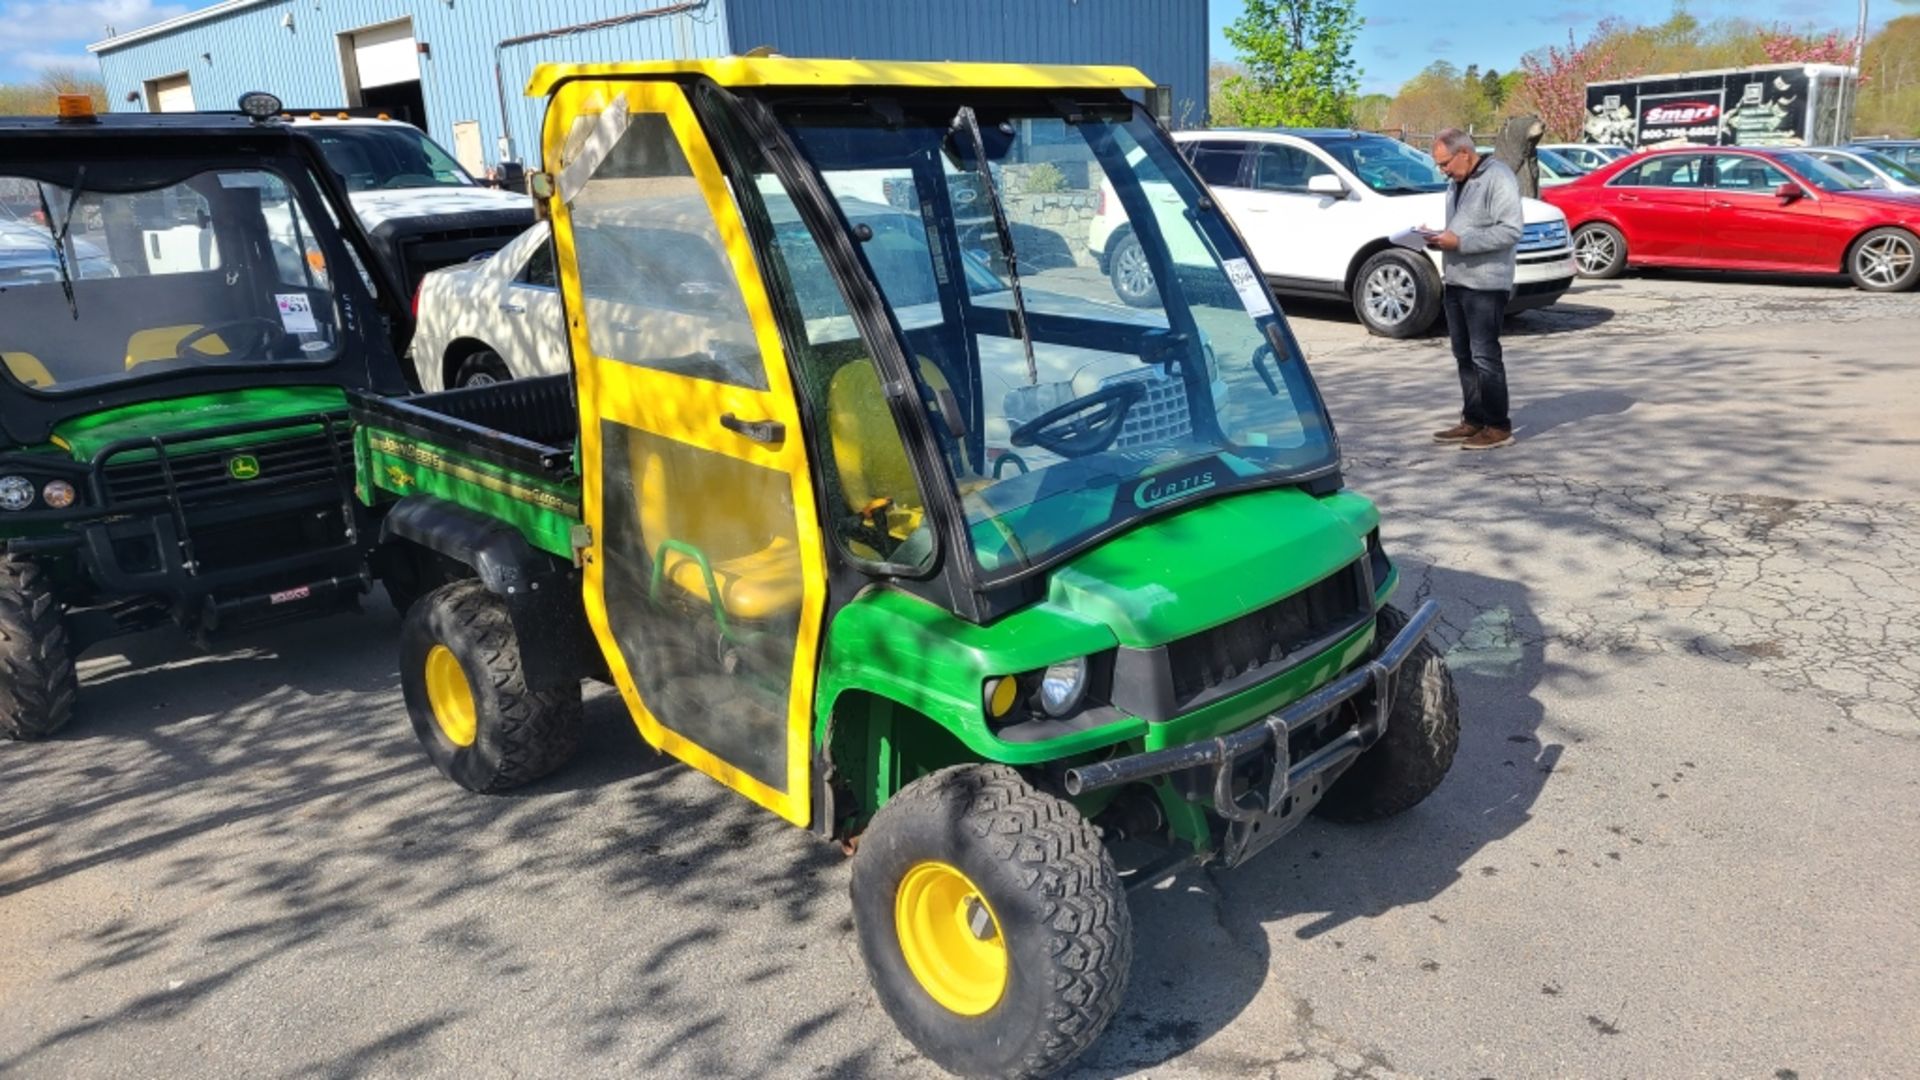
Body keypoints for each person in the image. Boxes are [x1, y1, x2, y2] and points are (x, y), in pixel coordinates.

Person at [1426, 127, 1523, 450]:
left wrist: (1461, 242)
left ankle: (1498, 426)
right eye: (1439, 165)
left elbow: (1510, 231)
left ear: (1464, 153)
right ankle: (1474, 419)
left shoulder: (1499, 177)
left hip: (1485, 284)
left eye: (1445, 164)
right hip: (1456, 279)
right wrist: (1441, 239)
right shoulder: (1456, 182)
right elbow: (1462, 228)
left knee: (1485, 356)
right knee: (1463, 355)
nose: (1443, 171)